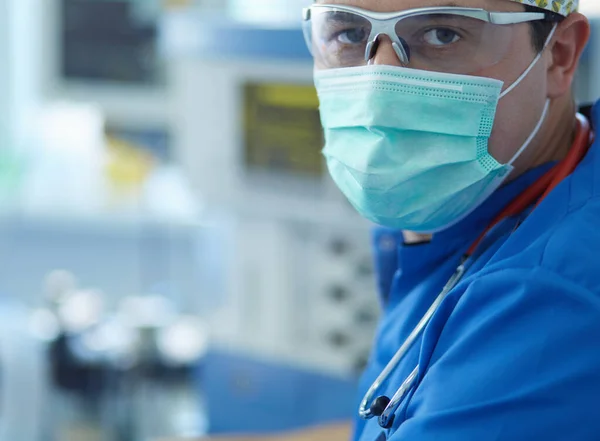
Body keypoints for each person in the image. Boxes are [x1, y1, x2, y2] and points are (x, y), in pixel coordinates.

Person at [183, 0, 599, 440]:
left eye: (443, 34)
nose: (380, 85)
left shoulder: (554, 304)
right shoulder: (470, 212)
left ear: (559, 53)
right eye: (348, 33)